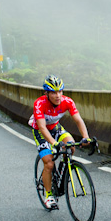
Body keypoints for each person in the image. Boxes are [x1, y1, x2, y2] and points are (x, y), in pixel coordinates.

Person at [28, 75, 93, 210]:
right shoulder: (39, 103)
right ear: (46, 93)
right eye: (53, 92)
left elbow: (78, 120)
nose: (58, 95)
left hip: (56, 127)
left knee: (71, 146)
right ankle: (49, 195)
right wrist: (53, 143)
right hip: (41, 131)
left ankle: (64, 169)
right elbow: (41, 127)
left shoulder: (67, 101)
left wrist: (86, 137)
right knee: (49, 163)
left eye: (60, 91)